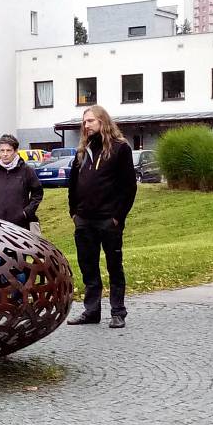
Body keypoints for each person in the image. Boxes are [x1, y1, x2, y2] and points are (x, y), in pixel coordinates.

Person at [67, 105, 137, 329]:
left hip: (108, 220)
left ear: (102, 122)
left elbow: (129, 187)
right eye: (84, 122)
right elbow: (73, 185)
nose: (86, 125)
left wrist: (118, 216)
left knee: (114, 266)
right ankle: (91, 310)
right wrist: (74, 212)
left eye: (90, 121)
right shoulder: (82, 151)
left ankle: (118, 312)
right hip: (84, 220)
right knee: (88, 266)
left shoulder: (120, 148)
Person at [0, 134, 43, 230]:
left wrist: (26, 212)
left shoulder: (26, 171)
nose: (5, 154)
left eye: (8, 150)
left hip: (20, 226)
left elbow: (38, 193)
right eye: (2, 150)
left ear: (15, 151)